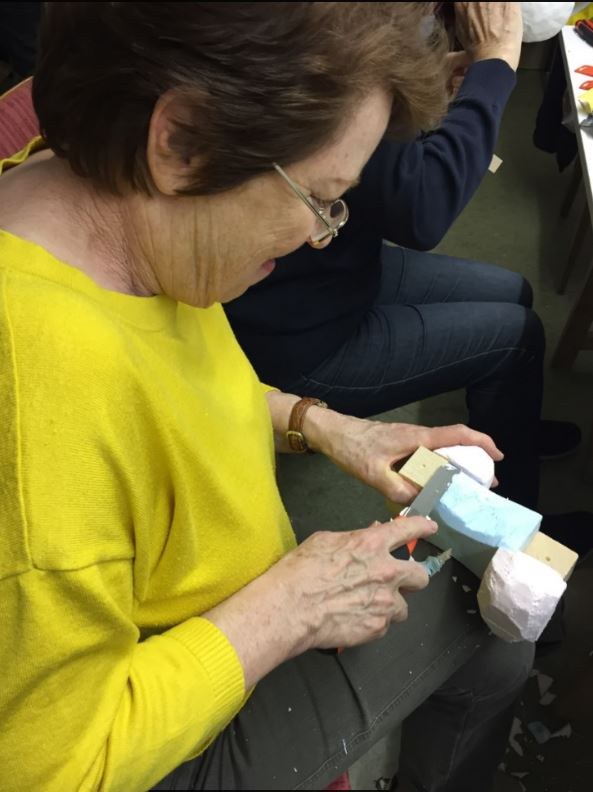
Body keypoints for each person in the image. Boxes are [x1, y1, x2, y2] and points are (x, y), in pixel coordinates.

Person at [0, 4, 533, 791]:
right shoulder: (37, 391)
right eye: (319, 198)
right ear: (182, 141)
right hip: (161, 743)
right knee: (494, 629)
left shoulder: (104, 216)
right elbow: (54, 768)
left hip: (216, 601)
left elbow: (167, 401)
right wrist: (284, 612)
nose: (319, 236)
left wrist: (319, 424)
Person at [224, 2, 581, 520]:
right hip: (301, 336)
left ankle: (510, 428)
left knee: (513, 292)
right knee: (518, 338)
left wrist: (431, 84)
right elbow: (422, 212)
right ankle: (510, 530)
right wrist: (495, 65)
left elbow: (389, 170)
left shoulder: (342, 34)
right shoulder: (324, 43)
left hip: (337, 272)